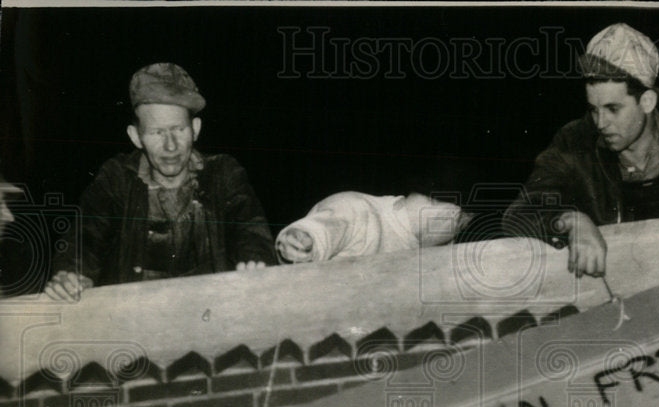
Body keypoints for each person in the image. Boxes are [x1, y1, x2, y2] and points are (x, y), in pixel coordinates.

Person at [503, 23, 659, 277]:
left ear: (647, 102)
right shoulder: (574, 140)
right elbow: (518, 214)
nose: (600, 123)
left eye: (613, 109)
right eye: (594, 109)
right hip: (613, 281)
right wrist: (570, 221)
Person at [44, 63, 275, 301]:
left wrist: (256, 262)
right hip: (135, 320)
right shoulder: (117, 179)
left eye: (179, 129)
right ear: (136, 137)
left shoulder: (223, 173)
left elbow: (249, 228)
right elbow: (86, 236)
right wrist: (72, 274)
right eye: (157, 133)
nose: (171, 146)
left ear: (195, 129)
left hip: (212, 312)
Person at [276, 191, 472, 263]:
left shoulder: (435, 249)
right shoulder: (360, 210)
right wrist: (304, 239)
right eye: (459, 217)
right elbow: (330, 225)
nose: (459, 222)